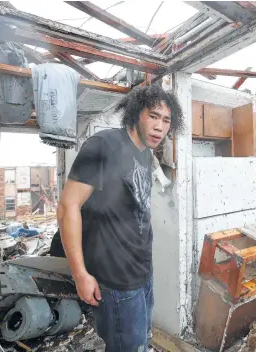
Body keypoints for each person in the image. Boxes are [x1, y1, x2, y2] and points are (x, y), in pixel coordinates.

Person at [57, 84, 184, 352]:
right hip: (115, 282)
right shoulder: (103, 145)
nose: (160, 127)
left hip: (142, 273)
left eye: (166, 120)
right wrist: (80, 274)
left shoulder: (143, 153)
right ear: (137, 113)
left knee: (141, 343)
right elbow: (68, 206)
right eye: (153, 116)